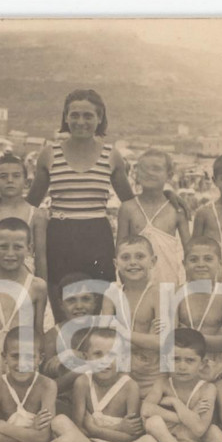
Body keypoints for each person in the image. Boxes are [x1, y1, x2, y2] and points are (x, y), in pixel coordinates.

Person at [24, 90, 136, 317]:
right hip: (60, 237)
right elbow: (30, 203)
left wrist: (168, 197)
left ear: (99, 117)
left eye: (88, 116)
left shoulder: (111, 155)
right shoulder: (50, 154)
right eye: (74, 115)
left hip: (97, 237)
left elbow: (131, 202)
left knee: (100, 311)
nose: (80, 122)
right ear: (65, 117)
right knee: (63, 312)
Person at [52, 328, 159, 442]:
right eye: (98, 354)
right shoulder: (82, 382)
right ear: (87, 357)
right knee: (59, 421)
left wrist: (94, 429)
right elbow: (79, 430)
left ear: (123, 358)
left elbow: (130, 438)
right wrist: (116, 429)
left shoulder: (130, 387)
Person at [131, 328, 222, 442]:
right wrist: (187, 416)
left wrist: (175, 403)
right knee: (153, 422)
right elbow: (146, 409)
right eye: (176, 359)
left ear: (202, 363)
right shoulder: (163, 383)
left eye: (190, 361)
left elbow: (199, 429)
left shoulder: (208, 389)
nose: (182, 366)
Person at [0, 217, 48, 385]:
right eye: (3, 246)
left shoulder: (38, 286)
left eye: (17, 247)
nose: (10, 254)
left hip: (22, 363)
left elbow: (38, 331)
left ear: (29, 249)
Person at [100, 235, 163, 398]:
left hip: (151, 375)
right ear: (116, 263)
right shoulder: (112, 294)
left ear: (153, 261)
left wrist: (120, 331)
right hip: (118, 373)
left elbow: (162, 343)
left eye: (140, 256)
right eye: (125, 257)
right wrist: (146, 339)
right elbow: (105, 341)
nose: (133, 262)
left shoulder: (159, 294)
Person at [116, 149, 189, 288]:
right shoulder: (127, 208)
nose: (149, 173)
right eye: (143, 169)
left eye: (156, 169)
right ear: (136, 174)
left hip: (168, 285)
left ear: (169, 175)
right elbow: (120, 251)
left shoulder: (176, 210)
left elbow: (190, 252)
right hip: (136, 286)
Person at [0, 155, 49, 278]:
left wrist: (42, 292)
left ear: (26, 182)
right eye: (3, 176)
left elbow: (41, 259)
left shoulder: (37, 215)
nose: (10, 180)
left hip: (25, 280)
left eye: (16, 176)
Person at [176, 237, 222, 382]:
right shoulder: (175, 293)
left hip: (215, 369)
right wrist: (214, 342)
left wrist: (187, 337)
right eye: (194, 260)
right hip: (181, 367)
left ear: (221, 264)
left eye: (208, 259)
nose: (201, 264)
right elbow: (169, 341)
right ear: (184, 264)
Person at [41, 272, 101, 418]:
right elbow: (49, 387)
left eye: (86, 299)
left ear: (95, 301)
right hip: (64, 405)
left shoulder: (103, 330)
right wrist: (85, 367)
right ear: (61, 304)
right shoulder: (52, 336)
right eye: (71, 300)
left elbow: (107, 373)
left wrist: (73, 356)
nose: (79, 306)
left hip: (97, 404)